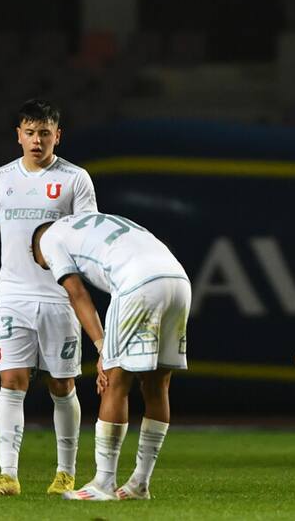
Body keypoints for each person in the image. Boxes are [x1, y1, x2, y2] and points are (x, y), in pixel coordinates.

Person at [0, 99, 98, 496]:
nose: (37, 140)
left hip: (60, 298)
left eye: (44, 133)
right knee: (12, 381)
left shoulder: (76, 180)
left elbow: (88, 238)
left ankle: (65, 473)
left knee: (62, 385)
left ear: (58, 135)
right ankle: (8, 475)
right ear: (19, 136)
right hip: (12, 297)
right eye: (30, 132)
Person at [31, 212, 191, 500]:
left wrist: (102, 347)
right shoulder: (96, 222)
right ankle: (140, 483)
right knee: (157, 385)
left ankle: (103, 483)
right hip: (179, 280)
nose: (48, 269)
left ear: (36, 249)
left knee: (115, 382)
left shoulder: (49, 238)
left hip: (138, 283)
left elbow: (78, 294)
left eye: (44, 265)